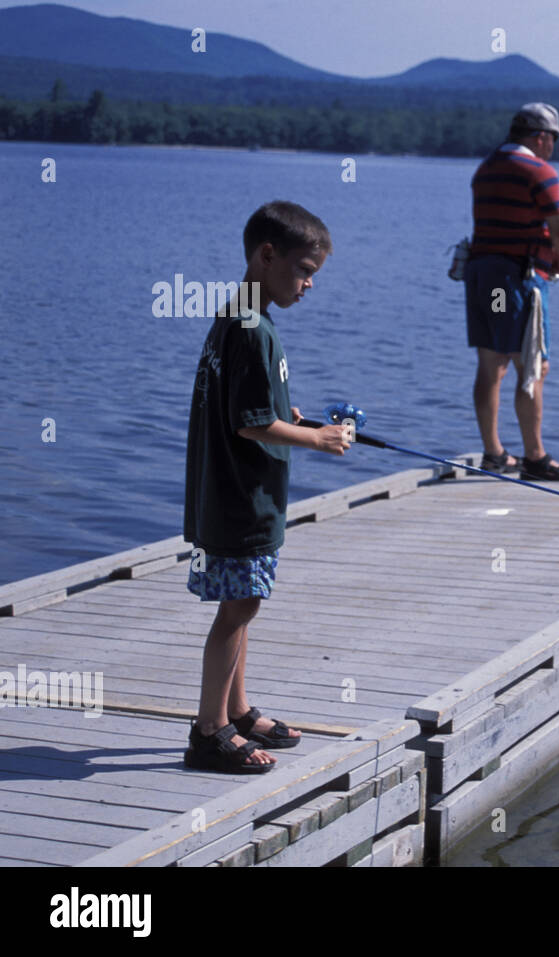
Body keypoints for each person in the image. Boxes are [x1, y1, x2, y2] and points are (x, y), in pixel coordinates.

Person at [182, 200, 352, 773]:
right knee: (238, 609)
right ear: (267, 255)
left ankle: (237, 709)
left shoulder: (239, 312)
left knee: (242, 606)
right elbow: (249, 422)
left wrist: (291, 415)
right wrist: (320, 439)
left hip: (231, 491)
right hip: (241, 499)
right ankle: (208, 732)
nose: (308, 285)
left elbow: (253, 404)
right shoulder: (253, 328)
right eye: (304, 270)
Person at [464, 102, 559, 480]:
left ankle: (494, 453)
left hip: (481, 275)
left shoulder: (486, 168)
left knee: (490, 363)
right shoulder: (538, 170)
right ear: (541, 138)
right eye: (553, 140)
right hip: (512, 283)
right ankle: (535, 457)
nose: (553, 147)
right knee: (531, 364)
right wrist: (557, 263)